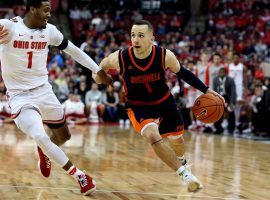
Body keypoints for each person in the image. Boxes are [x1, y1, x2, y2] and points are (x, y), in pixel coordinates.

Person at [94, 20, 225, 192]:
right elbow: (100, 68)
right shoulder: (120, 58)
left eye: (141, 35)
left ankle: (183, 161)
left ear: (151, 39)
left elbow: (184, 73)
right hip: (138, 106)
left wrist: (207, 90)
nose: (135, 40)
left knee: (177, 139)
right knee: (153, 136)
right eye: (133, 35)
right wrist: (98, 76)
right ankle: (186, 176)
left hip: (164, 103)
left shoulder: (165, 56)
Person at [0, 0, 112, 196]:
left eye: (50, 10)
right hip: (19, 96)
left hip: (44, 90)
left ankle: (44, 150)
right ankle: (80, 176)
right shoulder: (9, 27)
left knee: (64, 136)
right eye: (45, 10)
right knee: (40, 135)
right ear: (32, 9)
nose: (49, 14)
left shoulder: (50, 31)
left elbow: (74, 51)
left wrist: (97, 69)